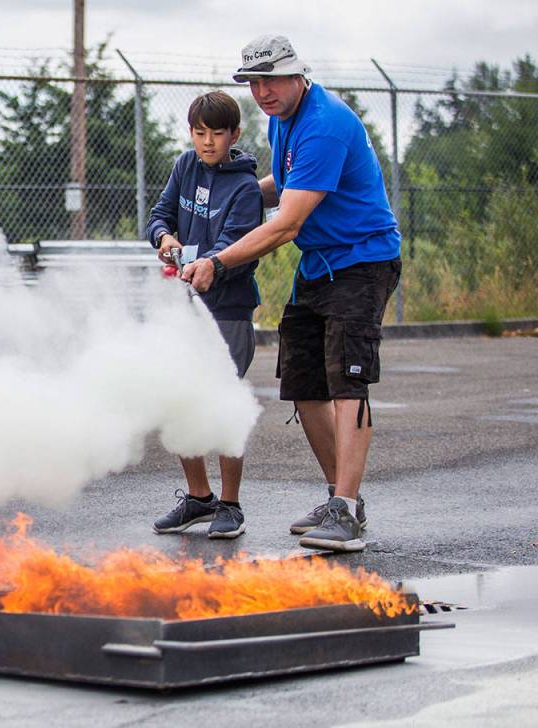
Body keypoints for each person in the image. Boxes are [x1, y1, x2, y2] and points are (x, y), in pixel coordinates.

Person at [182, 35, 402, 553]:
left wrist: (217, 259)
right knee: (305, 383)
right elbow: (281, 185)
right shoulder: (285, 121)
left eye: (271, 80)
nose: (262, 91)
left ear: (298, 75)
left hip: (363, 262)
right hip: (319, 265)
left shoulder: (324, 124)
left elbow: (287, 222)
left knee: (349, 382)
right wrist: (227, 197)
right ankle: (339, 500)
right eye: (254, 83)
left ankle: (346, 512)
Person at [147, 90, 263, 540]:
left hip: (228, 312)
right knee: (179, 400)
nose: (208, 142)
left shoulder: (246, 188)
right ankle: (198, 498)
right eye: (200, 133)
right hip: (183, 308)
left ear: (235, 134)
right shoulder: (185, 166)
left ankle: (230, 505)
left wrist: (209, 265)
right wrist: (163, 238)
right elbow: (160, 214)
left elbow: (237, 247)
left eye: (217, 133)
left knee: (221, 403)